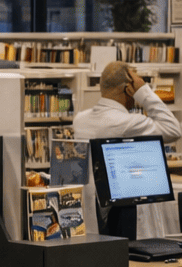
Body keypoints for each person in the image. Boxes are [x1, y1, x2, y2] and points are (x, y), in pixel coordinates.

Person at [73, 60, 182, 239]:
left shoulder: (80, 120)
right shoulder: (129, 123)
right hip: (129, 217)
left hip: (94, 218)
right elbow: (173, 129)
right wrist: (144, 92)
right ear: (128, 89)